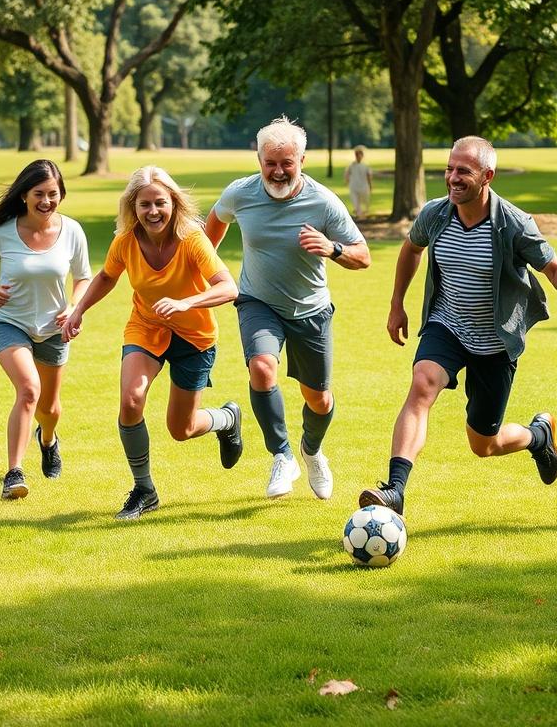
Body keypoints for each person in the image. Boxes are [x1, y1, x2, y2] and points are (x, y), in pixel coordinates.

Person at [358, 136, 557, 516]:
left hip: (494, 341)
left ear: (488, 176)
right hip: (446, 325)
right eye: (449, 169)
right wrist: (396, 304)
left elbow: (553, 265)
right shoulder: (436, 214)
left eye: (463, 171)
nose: (452, 178)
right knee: (422, 385)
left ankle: (538, 436)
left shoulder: (513, 224)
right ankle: (395, 490)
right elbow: (411, 249)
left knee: (485, 444)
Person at [61, 166, 242, 521]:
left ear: (173, 203)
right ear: (133, 207)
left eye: (160, 202)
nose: (153, 211)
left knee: (181, 429)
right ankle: (144, 490)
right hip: (146, 328)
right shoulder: (126, 241)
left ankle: (226, 418)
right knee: (131, 400)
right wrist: (78, 309)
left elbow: (228, 286)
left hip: (194, 336)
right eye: (145, 204)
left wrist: (186, 302)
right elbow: (106, 276)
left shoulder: (191, 238)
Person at [205, 116, 371, 500]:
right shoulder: (240, 193)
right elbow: (212, 228)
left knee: (319, 399)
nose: (278, 171)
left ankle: (311, 452)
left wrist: (333, 249)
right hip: (257, 300)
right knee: (262, 369)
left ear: (301, 161)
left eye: (287, 163)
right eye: (270, 163)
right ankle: (281, 455)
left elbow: (362, 256)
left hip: (311, 310)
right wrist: (208, 273)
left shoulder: (324, 201)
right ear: (259, 159)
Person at [0, 159, 92, 500]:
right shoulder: (3, 233)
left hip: (53, 327)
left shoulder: (72, 232)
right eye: (39, 194)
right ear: (24, 195)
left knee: (49, 408)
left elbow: (83, 277)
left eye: (53, 194)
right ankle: (14, 473)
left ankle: (47, 440)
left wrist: (73, 306)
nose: (46, 201)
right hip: (9, 322)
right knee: (29, 389)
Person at [344, 145, 373, 219]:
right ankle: (359, 214)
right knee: (356, 202)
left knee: (364, 201)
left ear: (362, 156)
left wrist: (370, 185)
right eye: (357, 155)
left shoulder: (365, 166)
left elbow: (369, 176)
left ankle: (361, 214)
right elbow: (347, 174)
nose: (358, 156)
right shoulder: (352, 165)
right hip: (354, 186)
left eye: (359, 154)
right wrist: (347, 181)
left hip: (363, 186)